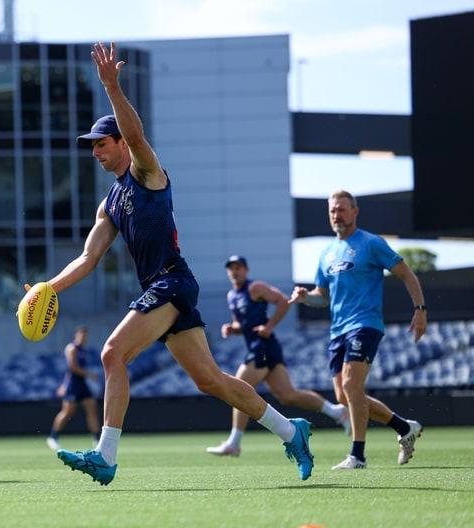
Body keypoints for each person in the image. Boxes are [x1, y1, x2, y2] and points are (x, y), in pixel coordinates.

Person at [34, 42, 314, 486]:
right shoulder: (109, 205)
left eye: (101, 144)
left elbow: (139, 137)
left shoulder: (147, 173)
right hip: (162, 289)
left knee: (111, 353)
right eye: (92, 147)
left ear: (120, 143)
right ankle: (290, 429)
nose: (95, 152)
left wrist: (111, 86)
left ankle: (105, 455)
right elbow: (88, 257)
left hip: (172, 282)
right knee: (212, 381)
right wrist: (48, 287)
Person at [289, 189, 426, 470]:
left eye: (341, 209)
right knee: (344, 396)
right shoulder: (326, 252)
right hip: (337, 330)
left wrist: (420, 310)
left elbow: (406, 273)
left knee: (352, 386)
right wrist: (306, 297)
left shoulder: (371, 243)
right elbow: (321, 296)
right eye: (332, 211)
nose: (336, 215)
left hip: (365, 323)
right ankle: (404, 427)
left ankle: (358, 456)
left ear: (354, 212)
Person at [206, 256, 350, 457]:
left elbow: (283, 301)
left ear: (246, 270)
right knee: (288, 395)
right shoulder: (232, 296)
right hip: (263, 347)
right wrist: (233, 329)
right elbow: (243, 324)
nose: (234, 272)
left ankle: (234, 443)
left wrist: (269, 325)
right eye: (231, 269)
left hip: (263, 346)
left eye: (238, 268)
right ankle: (336, 411)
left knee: (237, 388)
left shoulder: (255, 287)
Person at [46, 326, 101, 450]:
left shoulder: (83, 350)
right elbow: (72, 368)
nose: (84, 338)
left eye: (85, 335)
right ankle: (53, 437)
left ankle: (97, 439)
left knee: (92, 409)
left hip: (82, 384)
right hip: (73, 385)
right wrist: (90, 375)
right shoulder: (72, 348)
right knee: (68, 412)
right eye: (81, 335)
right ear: (76, 335)